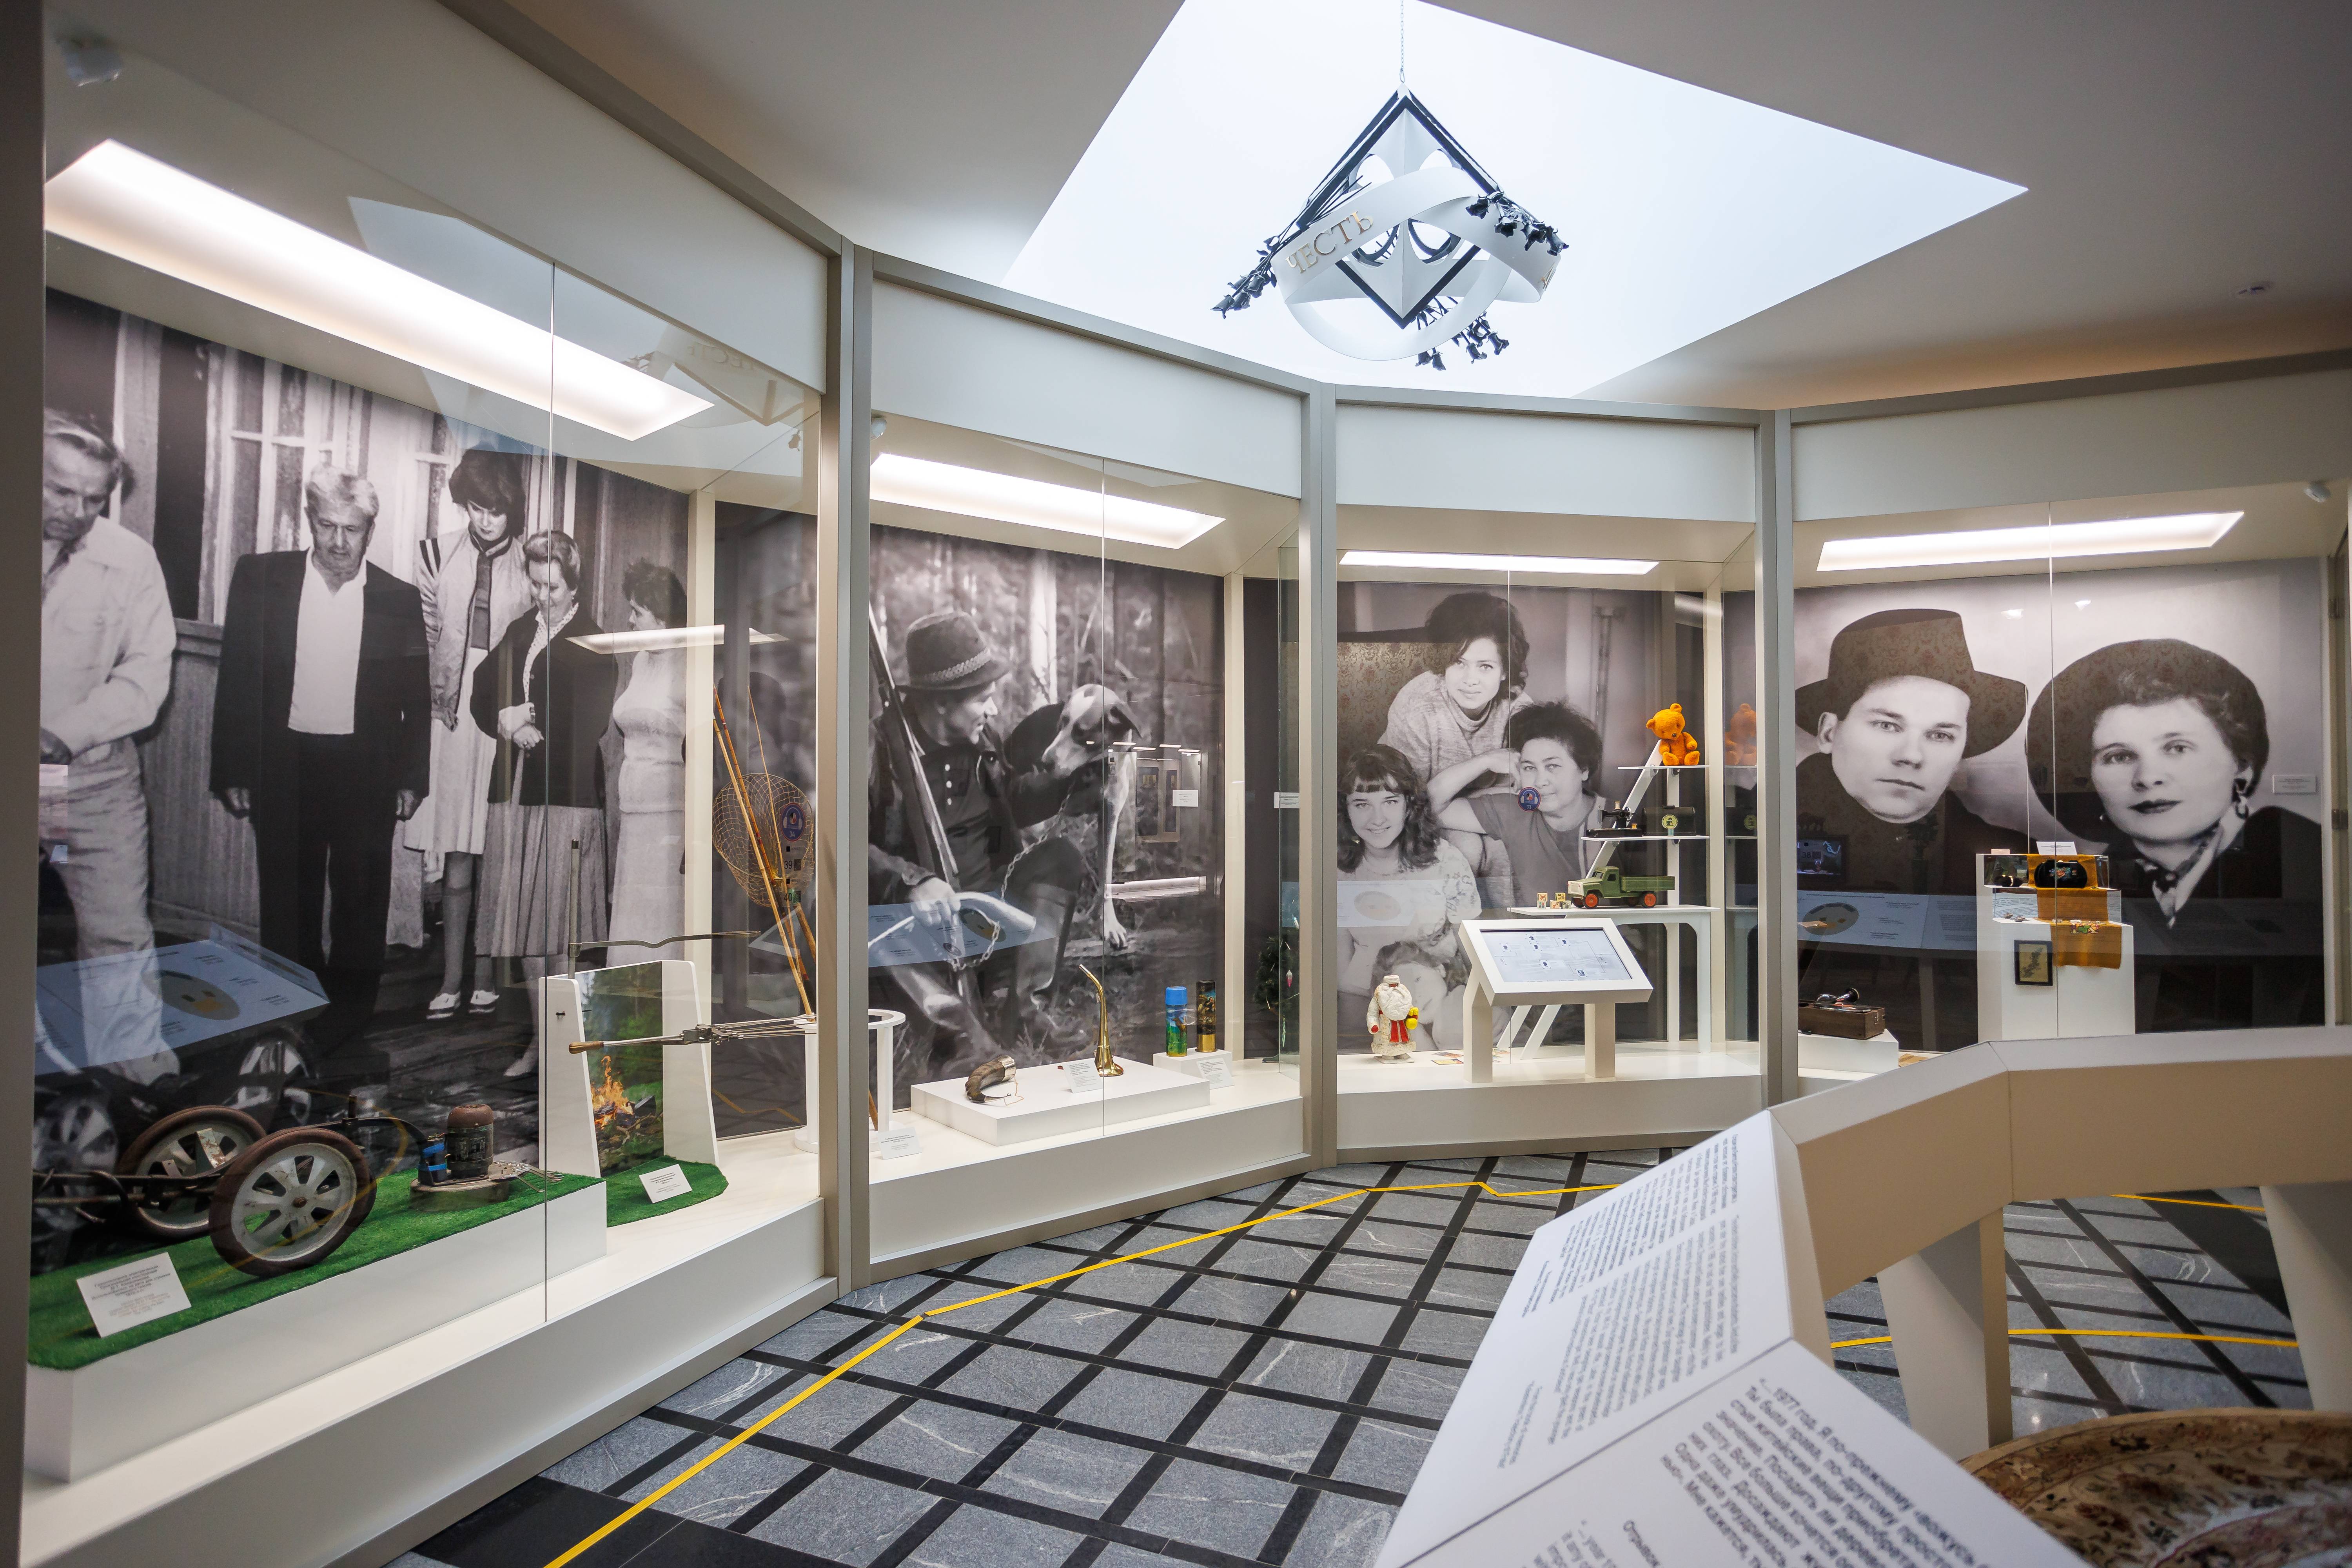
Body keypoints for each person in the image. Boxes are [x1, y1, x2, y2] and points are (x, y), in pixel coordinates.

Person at [211, 466, 430, 1074]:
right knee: (288, 900)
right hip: (286, 763)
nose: (338, 542)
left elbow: (417, 701)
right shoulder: (262, 578)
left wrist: (412, 777)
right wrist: (233, 766)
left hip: (364, 769)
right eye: (328, 526)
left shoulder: (397, 598)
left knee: (361, 901)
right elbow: (237, 676)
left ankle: (348, 1024)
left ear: (370, 531)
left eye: (351, 530)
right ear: (309, 521)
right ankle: (289, 1022)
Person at [2026, 639, 2322, 1030]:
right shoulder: (2104, 873)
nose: (2148, 778)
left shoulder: (2296, 855)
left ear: (2241, 763)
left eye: (2177, 748)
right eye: (2118, 756)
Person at [868, 610, 1100, 1071]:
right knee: (862, 923)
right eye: (983, 699)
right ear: (942, 703)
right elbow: (840, 844)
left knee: (1060, 858)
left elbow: (1013, 800)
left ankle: (1025, 1013)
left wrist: (1069, 779)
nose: (993, 710)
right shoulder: (881, 749)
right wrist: (912, 881)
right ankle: (964, 1042)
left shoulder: (981, 739)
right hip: (916, 932)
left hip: (986, 917)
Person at [1794, 607, 2023, 1050]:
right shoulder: (1765, 835)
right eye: (1887, 725)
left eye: (1940, 735)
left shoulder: (2000, 853)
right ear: (1829, 732)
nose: (1911, 756)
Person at [38, 412, 176, 1080]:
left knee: (118, 933)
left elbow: (147, 674)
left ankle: (138, 1079)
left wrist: (63, 733)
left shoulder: (130, 559)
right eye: (61, 491)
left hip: (94, 778)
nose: (77, 512)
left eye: (94, 499)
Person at [472, 530, 618, 1076]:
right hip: (516, 794)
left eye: (551, 587)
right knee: (525, 929)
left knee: (560, 932)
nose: (542, 596)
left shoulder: (593, 641)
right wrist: (509, 722)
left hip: (566, 797)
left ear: (573, 585)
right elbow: (481, 693)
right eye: (535, 584)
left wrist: (537, 733)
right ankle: (540, 1044)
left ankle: (567, 1045)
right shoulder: (520, 630)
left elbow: (591, 724)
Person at [407, 448, 533, 1020]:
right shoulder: (435, 554)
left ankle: (486, 975)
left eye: (497, 511)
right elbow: (428, 637)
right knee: (458, 850)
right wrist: (437, 703)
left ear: (513, 510)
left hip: (504, 717)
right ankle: (451, 978)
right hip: (453, 719)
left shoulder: (530, 565)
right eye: (477, 508)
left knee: (496, 848)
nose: (485, 521)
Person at [1337, 744, 1476, 1033]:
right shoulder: (1337, 871)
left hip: (1441, 1000)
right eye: (1362, 805)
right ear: (1346, 810)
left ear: (1409, 805)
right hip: (1368, 1001)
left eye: (1390, 802)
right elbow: (1342, 974)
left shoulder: (1446, 861)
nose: (1377, 819)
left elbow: (1472, 953)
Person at [1428, 701, 1609, 910]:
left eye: (1552, 766)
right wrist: (1485, 761)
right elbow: (1429, 807)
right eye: (1530, 768)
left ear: (1584, 770)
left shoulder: (1615, 819)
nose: (1541, 781)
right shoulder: (1516, 812)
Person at [606, 560, 689, 965]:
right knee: (632, 921)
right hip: (633, 815)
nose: (631, 619)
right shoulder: (641, 660)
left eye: (637, 611)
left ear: (662, 617)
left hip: (668, 820)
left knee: (660, 922)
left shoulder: (690, 665)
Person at [1377, 590, 1532, 802]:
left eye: (1485, 666)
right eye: (1459, 662)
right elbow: (1408, 805)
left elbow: (1519, 794)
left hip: (1474, 808)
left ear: (1505, 671)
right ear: (1444, 662)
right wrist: (1484, 761)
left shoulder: (1519, 708)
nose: (1470, 680)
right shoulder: (1415, 708)